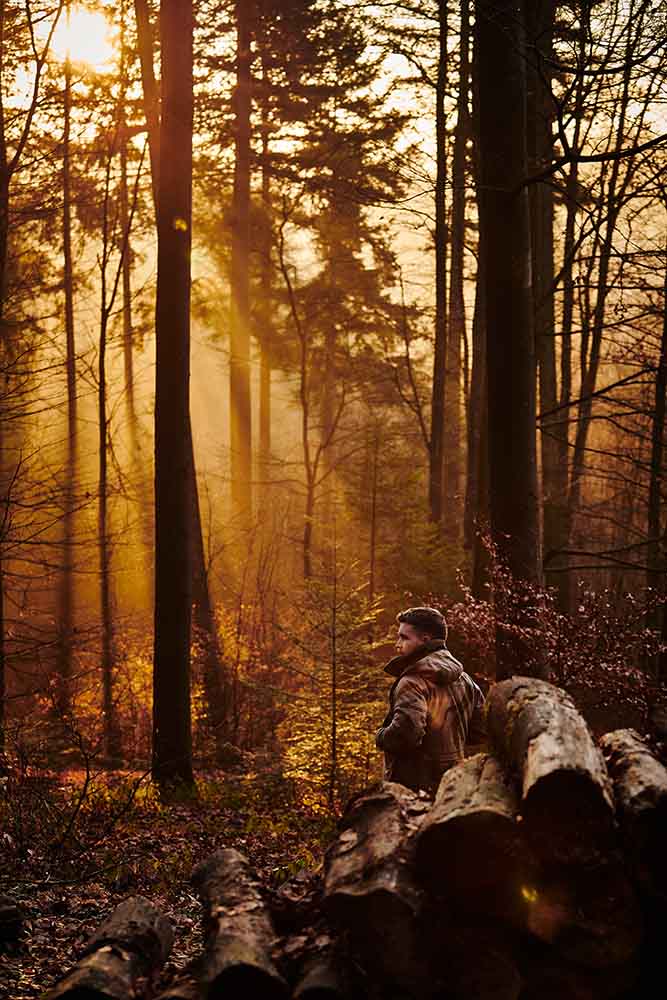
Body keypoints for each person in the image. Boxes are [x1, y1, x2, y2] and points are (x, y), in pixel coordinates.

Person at [375, 606, 485, 795]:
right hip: (453, 784)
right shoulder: (465, 679)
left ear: (425, 640)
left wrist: (381, 735)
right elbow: (481, 730)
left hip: (412, 790)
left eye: (404, 637)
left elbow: (406, 735)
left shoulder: (412, 682)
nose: (397, 644)